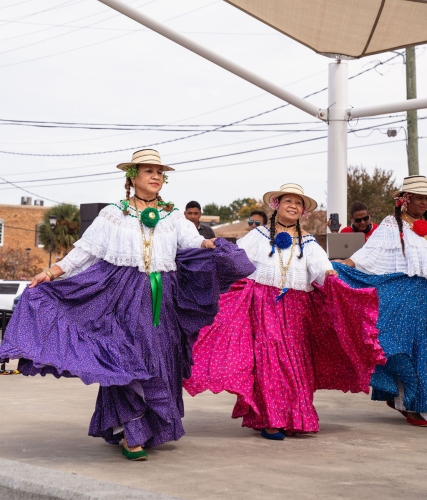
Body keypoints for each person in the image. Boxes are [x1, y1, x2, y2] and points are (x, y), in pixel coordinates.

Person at [0, 149, 255, 460]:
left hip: (164, 296)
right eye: (149, 171)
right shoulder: (113, 213)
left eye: (160, 172)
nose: (156, 176)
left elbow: (190, 240)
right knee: (126, 357)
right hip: (124, 294)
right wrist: (51, 272)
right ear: (133, 177)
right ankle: (130, 432)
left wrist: (208, 243)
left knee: (160, 358)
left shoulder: (173, 215)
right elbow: (86, 251)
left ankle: (148, 428)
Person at [184, 183, 384, 440]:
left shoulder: (309, 242)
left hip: (297, 307)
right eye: (288, 200)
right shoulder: (258, 236)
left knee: (295, 361)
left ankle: (293, 416)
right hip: (263, 301)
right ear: (276, 205)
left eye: (298, 203)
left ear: (303, 212)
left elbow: (319, 265)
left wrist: (328, 273)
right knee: (270, 356)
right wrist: (218, 252)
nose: (293, 205)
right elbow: (238, 259)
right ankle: (271, 419)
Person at [334, 175, 427, 427]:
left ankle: (411, 403)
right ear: (405, 200)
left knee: (421, 351)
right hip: (398, 293)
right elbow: (368, 255)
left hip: (423, 297)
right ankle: (408, 402)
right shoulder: (390, 225)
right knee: (392, 346)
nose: (424, 203)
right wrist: (341, 267)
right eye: (420, 198)